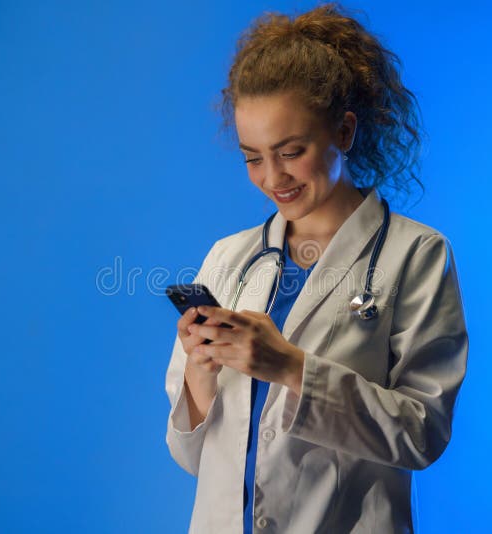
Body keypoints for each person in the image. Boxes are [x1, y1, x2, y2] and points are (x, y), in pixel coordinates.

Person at [164, 3, 469, 533]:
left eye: (291, 151)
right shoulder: (228, 258)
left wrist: (291, 367)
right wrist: (199, 372)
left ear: (344, 132)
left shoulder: (416, 254)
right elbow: (194, 459)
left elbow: (422, 435)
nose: (272, 177)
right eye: (253, 157)